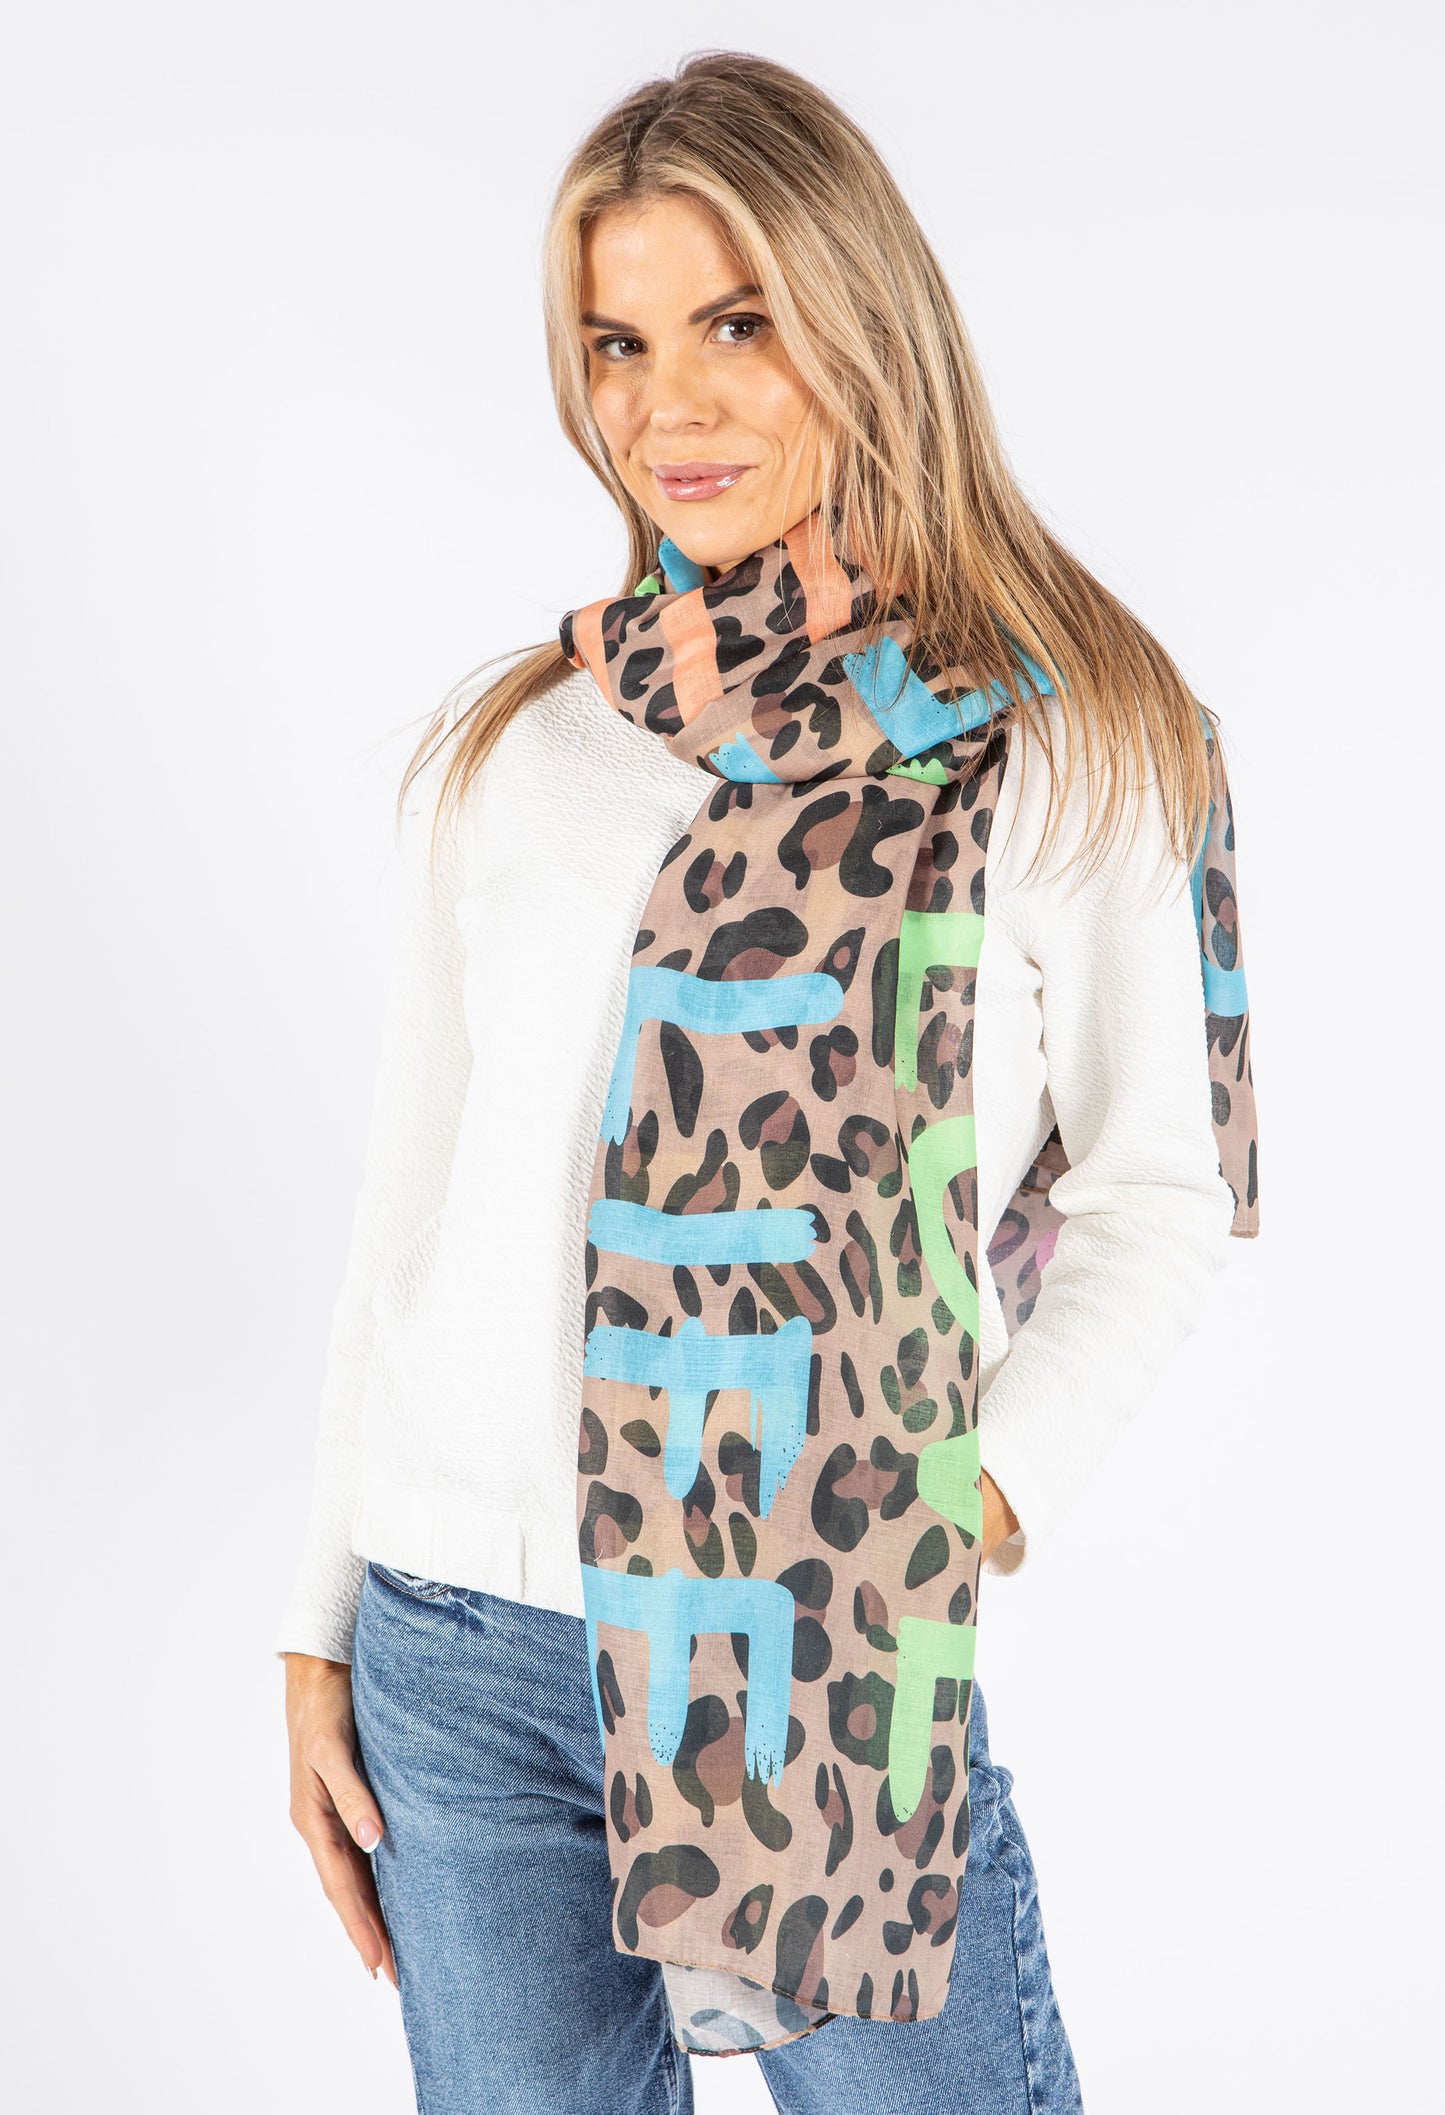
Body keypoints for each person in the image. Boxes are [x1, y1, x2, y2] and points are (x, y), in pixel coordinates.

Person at [276, 52, 1253, 2115]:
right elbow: (414, 1198)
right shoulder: (531, 745)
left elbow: (1157, 1195)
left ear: (861, 321)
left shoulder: (1065, 737)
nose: (670, 406)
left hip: (816, 1638)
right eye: (617, 343)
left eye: (737, 324)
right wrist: (317, 1613)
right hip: (461, 1658)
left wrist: (960, 1505)